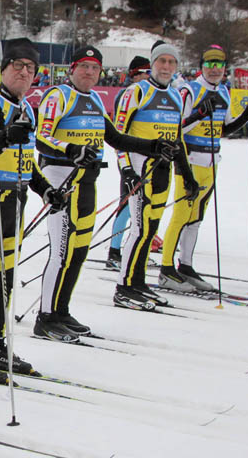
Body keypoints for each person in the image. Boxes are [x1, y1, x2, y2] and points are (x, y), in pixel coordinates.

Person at [33, 45, 178, 341]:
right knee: (62, 250)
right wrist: (71, 150)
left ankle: (61, 310)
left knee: (80, 250)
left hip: (88, 180)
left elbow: (115, 137)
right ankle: (45, 317)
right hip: (62, 179)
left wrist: (152, 147)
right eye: (84, 66)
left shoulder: (96, 100)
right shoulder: (59, 96)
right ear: (72, 68)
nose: (89, 72)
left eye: (94, 68)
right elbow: (42, 137)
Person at [0, 39, 67, 381]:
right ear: (3, 69)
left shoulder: (28, 109)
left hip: (14, 196)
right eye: (17, 66)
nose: (23, 72)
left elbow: (26, 160)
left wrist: (45, 188)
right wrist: (3, 135)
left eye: (30, 68)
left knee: (5, 274)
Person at [159, 45, 248, 291]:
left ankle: (186, 265)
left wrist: (247, 115)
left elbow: (223, 129)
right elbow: (176, 129)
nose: (214, 70)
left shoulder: (224, 91)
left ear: (225, 68)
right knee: (181, 216)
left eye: (219, 65)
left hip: (212, 162)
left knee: (196, 218)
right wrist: (199, 115)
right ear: (201, 66)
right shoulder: (190, 90)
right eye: (209, 65)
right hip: (190, 161)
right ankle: (166, 269)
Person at [111, 42, 199, 310]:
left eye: (172, 63)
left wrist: (187, 175)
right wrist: (126, 170)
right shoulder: (136, 92)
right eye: (162, 61)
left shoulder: (175, 96)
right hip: (140, 170)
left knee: (149, 231)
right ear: (153, 63)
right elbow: (118, 134)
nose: (167, 67)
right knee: (138, 230)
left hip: (163, 172)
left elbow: (177, 139)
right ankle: (124, 287)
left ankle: (138, 283)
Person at [105, 56, 150, 271]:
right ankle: (114, 251)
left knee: (139, 207)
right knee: (127, 205)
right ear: (134, 74)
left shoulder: (147, 93)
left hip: (143, 157)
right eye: (143, 73)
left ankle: (132, 249)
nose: (146, 77)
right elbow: (119, 130)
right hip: (129, 157)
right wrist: (126, 164)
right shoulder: (127, 94)